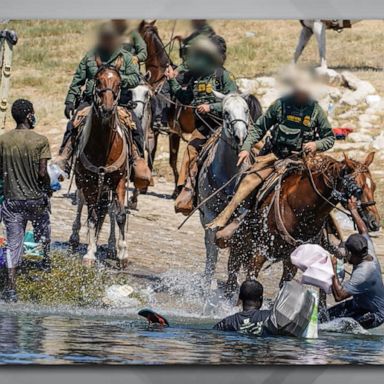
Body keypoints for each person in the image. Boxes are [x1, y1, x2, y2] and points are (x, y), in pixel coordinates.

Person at [207, 77, 335, 242]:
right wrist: (246, 148)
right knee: (249, 180)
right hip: (276, 155)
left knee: (321, 193)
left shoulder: (316, 110)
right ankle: (232, 219)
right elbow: (259, 127)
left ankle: (331, 235)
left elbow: (329, 138)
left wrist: (316, 144)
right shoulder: (280, 105)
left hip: (303, 159)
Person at [56, 23, 145, 176]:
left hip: (120, 102)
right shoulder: (90, 56)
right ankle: (65, 158)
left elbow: (136, 78)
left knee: (135, 126)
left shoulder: (127, 58)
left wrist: (115, 78)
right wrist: (70, 101)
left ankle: (137, 160)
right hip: (91, 101)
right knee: (73, 125)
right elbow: (78, 79)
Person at [165, 36, 237, 215]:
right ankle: (187, 190)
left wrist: (211, 106)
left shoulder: (223, 76)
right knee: (190, 150)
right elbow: (185, 98)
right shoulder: (194, 78)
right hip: (204, 128)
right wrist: (172, 80)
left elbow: (233, 101)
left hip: (224, 127)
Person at [0, 99, 52, 303]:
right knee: (43, 234)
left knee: (14, 244)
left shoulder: (3, 140)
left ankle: (11, 289)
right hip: (36, 201)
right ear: (30, 115)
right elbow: (42, 173)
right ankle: (46, 265)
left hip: (12, 202)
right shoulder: (40, 140)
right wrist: (48, 188)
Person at [326, 197, 384, 329]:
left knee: (332, 328)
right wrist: (353, 210)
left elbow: (339, 296)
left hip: (374, 314)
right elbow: (363, 230)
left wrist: (332, 269)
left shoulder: (362, 274)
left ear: (353, 254)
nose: (345, 255)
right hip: (359, 304)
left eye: (347, 253)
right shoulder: (366, 247)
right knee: (324, 318)